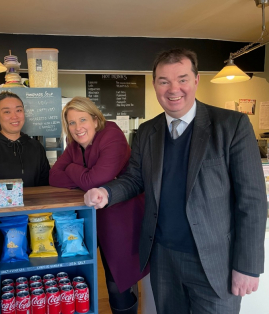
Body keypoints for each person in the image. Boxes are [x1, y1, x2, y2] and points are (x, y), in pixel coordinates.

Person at [84, 48, 267, 314]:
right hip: (163, 258)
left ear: (196, 81)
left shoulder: (232, 125)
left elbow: (252, 200)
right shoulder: (147, 131)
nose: (174, 89)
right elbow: (135, 178)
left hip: (215, 262)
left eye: (182, 79)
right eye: (164, 81)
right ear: (155, 84)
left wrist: (248, 265)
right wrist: (106, 192)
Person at [49, 97, 155, 314]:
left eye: (83, 120)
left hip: (122, 218)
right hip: (91, 218)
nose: (78, 128)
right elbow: (53, 176)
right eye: (72, 123)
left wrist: (72, 170)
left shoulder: (112, 136)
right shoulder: (74, 145)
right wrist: (83, 175)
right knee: (80, 272)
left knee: (119, 282)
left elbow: (94, 181)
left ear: (95, 120)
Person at [0, 91, 50, 188]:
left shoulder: (36, 147)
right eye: (7, 112)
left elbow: (45, 184)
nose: (14, 117)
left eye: (18, 110)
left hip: (33, 202)